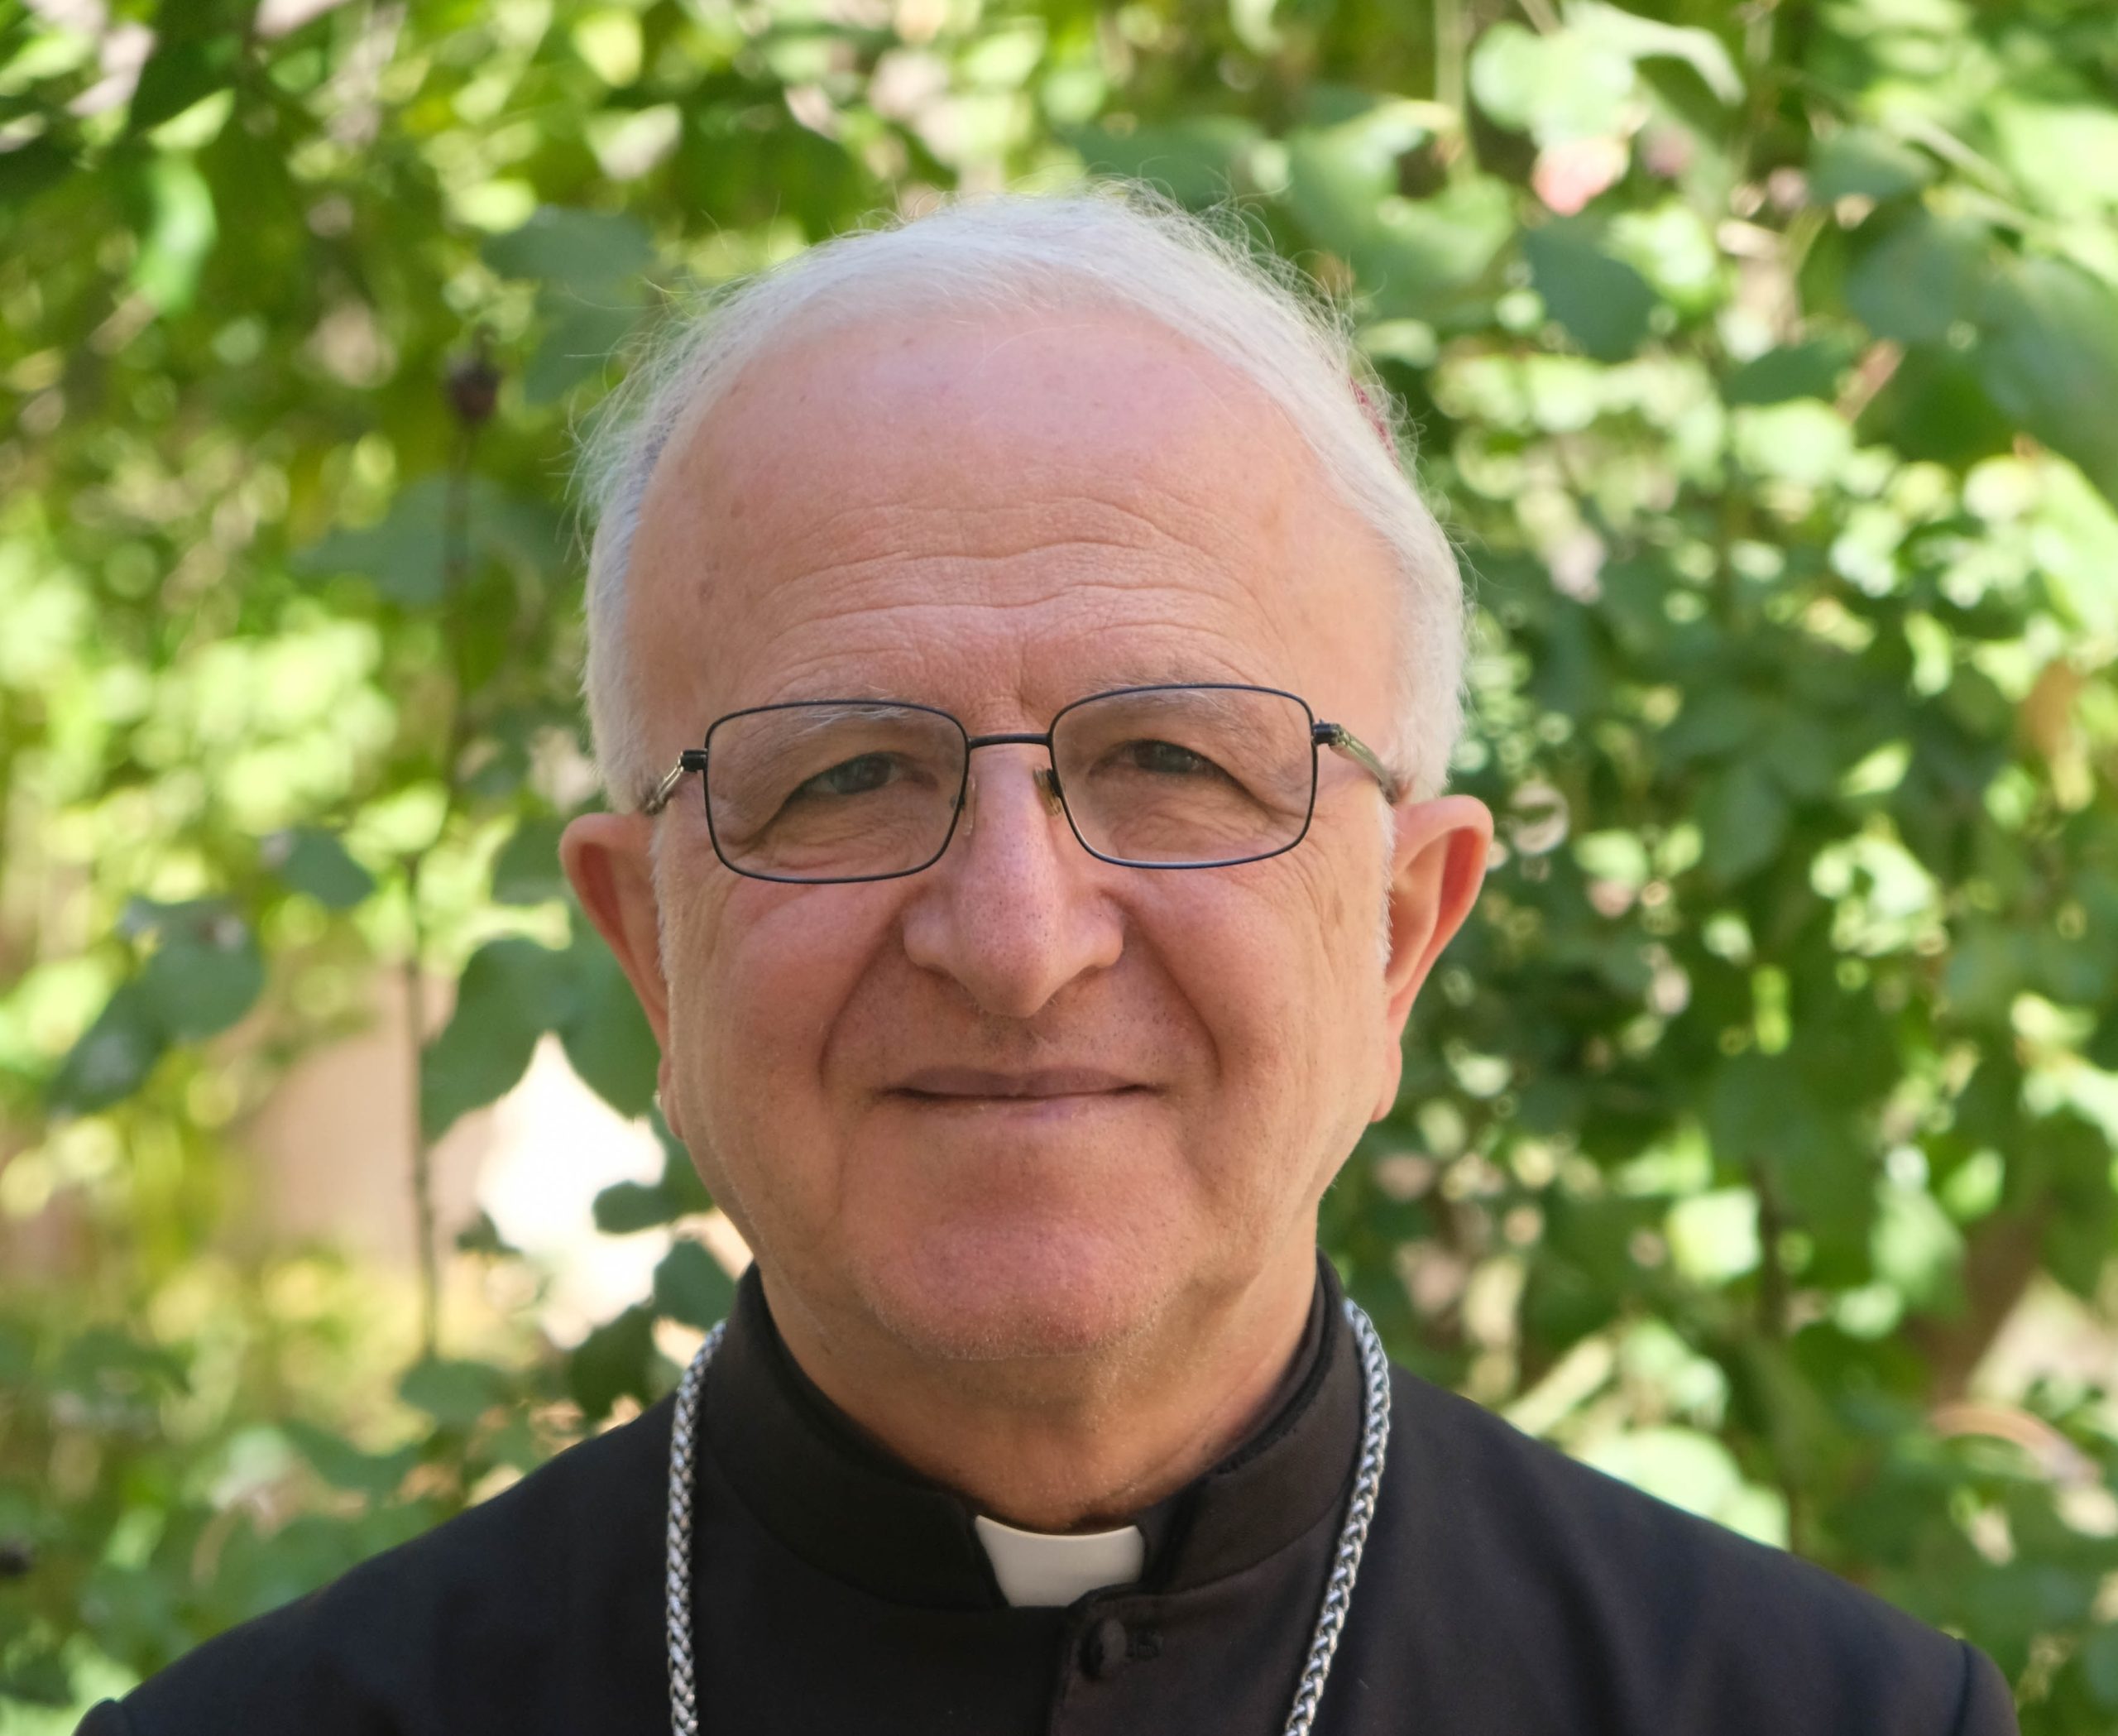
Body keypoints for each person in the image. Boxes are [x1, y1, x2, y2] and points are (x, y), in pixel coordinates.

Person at [83, 187, 2015, 1735]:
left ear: (1397, 930)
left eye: (1171, 759)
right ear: (647, 944)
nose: (1012, 938)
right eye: (842, 774)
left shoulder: (1817, 1711)